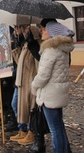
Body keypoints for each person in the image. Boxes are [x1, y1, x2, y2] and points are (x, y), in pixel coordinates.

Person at [31, 21, 74, 153]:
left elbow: (43, 76)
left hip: (49, 95)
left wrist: (33, 86)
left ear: (52, 33)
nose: (41, 32)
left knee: (55, 130)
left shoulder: (50, 50)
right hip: (58, 93)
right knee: (59, 127)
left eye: (44, 30)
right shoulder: (62, 48)